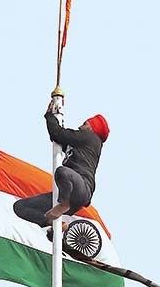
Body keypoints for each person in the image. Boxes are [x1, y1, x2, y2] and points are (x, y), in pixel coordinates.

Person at [13, 98, 110, 230]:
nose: (80, 127)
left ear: (93, 129)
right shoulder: (80, 144)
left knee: (61, 171)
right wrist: (55, 114)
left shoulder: (90, 137)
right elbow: (58, 136)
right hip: (69, 189)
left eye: (85, 124)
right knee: (20, 207)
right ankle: (52, 223)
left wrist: (49, 115)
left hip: (80, 187)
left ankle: (64, 204)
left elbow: (58, 133)